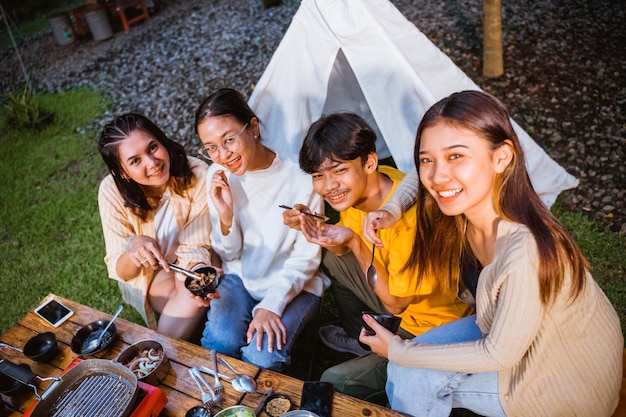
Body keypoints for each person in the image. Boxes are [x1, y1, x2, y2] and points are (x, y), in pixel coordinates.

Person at [359, 90, 623, 417]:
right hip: (507, 328)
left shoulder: (526, 250)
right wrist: (393, 209)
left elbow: (498, 355)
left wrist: (399, 350)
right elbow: (419, 175)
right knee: (406, 371)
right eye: (428, 159)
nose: (438, 176)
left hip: (566, 379)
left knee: (410, 377)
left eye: (456, 156)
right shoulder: (472, 208)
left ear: (501, 157)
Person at [285, 112, 471, 403]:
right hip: (391, 287)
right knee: (334, 259)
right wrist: (328, 235)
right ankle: (359, 337)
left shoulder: (406, 228)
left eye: (339, 171)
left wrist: (357, 245)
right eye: (318, 175)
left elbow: (395, 304)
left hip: (427, 325)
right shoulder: (376, 185)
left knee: (334, 381)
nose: (328, 185)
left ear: (369, 162)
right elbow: (345, 247)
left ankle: (382, 358)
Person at [194, 88, 326, 371]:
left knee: (260, 358)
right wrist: (226, 216)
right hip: (242, 277)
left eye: (229, 139)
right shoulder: (216, 176)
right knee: (220, 344)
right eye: (211, 147)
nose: (223, 154)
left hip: (296, 282)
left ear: (253, 127)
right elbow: (229, 254)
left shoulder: (301, 178)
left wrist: (272, 305)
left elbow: (306, 257)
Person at [98, 113, 214, 340]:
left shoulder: (198, 173)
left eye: (152, 147)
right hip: (154, 276)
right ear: (121, 172)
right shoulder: (110, 190)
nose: (152, 163)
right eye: (135, 161)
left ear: (162, 140)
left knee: (193, 293)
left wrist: (193, 278)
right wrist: (133, 250)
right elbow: (120, 270)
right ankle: (171, 344)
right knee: (192, 300)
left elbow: (196, 245)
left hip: (195, 260)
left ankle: (157, 352)